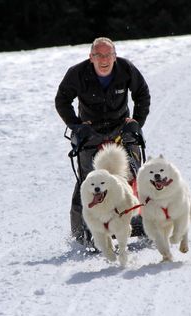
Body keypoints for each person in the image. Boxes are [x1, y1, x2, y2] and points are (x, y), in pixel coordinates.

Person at [55, 37, 151, 245]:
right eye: (98, 55)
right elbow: (62, 100)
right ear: (91, 58)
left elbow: (142, 93)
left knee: (134, 176)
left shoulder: (126, 69)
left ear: (114, 57)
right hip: (90, 133)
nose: (104, 59)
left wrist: (136, 122)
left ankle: (141, 225)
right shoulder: (77, 73)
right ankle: (83, 237)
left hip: (121, 130)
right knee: (88, 181)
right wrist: (77, 126)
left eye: (108, 55)